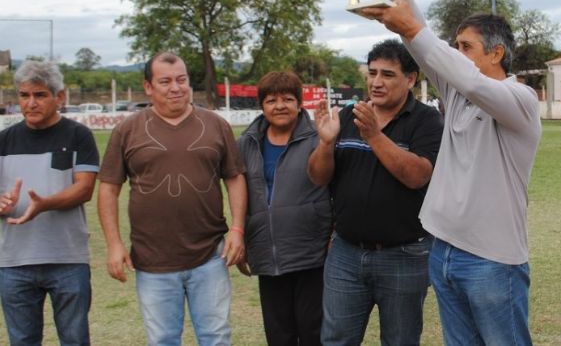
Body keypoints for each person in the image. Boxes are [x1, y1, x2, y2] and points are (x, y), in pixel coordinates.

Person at [362, 0, 541, 345]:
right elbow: (422, 42)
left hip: (493, 260)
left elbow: (462, 74)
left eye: (466, 46)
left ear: (496, 54)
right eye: (455, 46)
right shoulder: (458, 91)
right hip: (444, 251)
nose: (456, 54)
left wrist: (416, 32)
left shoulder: (520, 99)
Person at [97, 51, 247, 346]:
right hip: (153, 259)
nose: (175, 87)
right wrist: (114, 245)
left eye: (182, 80)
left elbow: (234, 177)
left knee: (216, 337)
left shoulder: (216, 125)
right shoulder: (127, 130)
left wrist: (238, 230)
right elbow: (108, 189)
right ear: (148, 87)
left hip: (210, 255)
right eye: (165, 81)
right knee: (163, 339)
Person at [308, 38, 443, 345]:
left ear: (410, 79)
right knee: (336, 339)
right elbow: (318, 177)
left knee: (400, 340)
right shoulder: (348, 116)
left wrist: (373, 135)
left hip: (405, 255)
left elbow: (417, 176)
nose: (376, 82)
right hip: (345, 252)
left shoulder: (426, 120)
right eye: (372, 73)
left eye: (387, 74)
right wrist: (326, 144)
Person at [0, 61, 99, 345]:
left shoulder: (79, 136)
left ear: (60, 97)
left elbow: (84, 189)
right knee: (22, 340)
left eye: (40, 95)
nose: (30, 103)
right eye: (24, 95)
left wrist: (44, 203)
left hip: (67, 259)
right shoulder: (4, 141)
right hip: (14, 262)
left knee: (75, 339)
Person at [236, 71, 332, 346]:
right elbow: (240, 194)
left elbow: (336, 189)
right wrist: (240, 235)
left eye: (288, 99)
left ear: (300, 103)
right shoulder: (246, 143)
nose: (280, 106)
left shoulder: (319, 138)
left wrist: (333, 234)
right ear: (261, 106)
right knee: (279, 335)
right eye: (271, 100)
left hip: (312, 253)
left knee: (314, 332)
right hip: (267, 254)